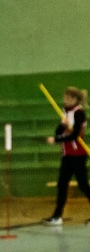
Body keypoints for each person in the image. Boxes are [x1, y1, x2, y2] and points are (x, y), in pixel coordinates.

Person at [43, 86, 90, 225]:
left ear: (74, 99)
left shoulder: (79, 113)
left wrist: (56, 140)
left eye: (67, 97)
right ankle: (57, 216)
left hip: (78, 155)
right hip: (67, 155)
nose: (64, 99)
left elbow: (75, 135)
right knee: (62, 184)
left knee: (83, 185)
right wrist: (63, 126)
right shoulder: (65, 111)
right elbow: (58, 131)